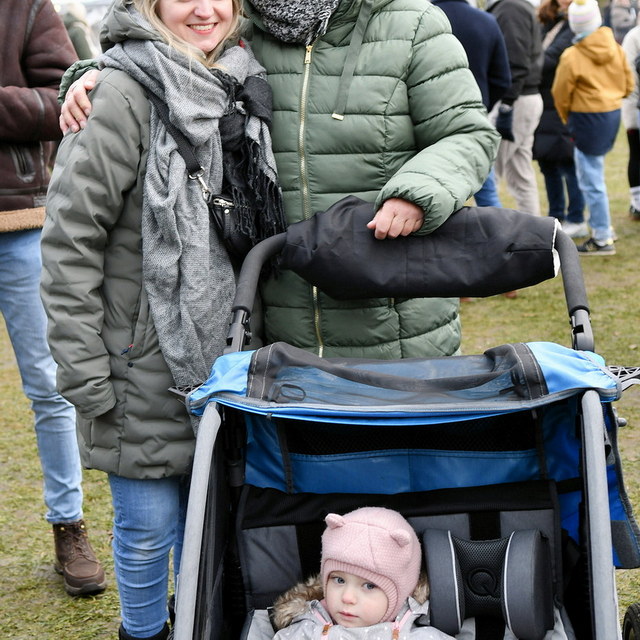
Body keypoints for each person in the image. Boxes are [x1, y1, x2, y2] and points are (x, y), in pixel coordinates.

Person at [58, 0, 501, 361]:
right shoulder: (245, 26)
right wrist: (94, 76)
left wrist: (418, 192)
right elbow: (164, 57)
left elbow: (467, 132)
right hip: (280, 327)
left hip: (395, 316)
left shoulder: (413, 23)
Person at [40, 0, 284, 637]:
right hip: (139, 361)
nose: (205, 10)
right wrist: (85, 370)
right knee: (148, 530)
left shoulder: (248, 82)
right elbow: (69, 243)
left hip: (231, 353)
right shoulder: (119, 95)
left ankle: (194, 625)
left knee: (214, 527)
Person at [0, 0, 106, 597]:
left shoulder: (27, 6)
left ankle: (69, 525)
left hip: (17, 226)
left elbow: (65, 101)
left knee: (49, 385)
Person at [270, 507, 455, 640]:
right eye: (339, 580)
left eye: (369, 585)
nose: (347, 597)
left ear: (400, 594)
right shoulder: (300, 633)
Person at [552, 0, 634, 255]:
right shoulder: (615, 46)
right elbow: (628, 83)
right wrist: (612, 98)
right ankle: (603, 226)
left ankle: (601, 237)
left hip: (585, 117)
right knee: (595, 174)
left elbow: (560, 93)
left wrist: (566, 117)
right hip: (611, 114)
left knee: (590, 179)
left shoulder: (572, 55)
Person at [430, 0, 511, 209]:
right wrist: (481, 106)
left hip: (428, 115)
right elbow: (502, 79)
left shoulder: (423, 18)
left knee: (431, 191)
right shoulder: (487, 21)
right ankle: (496, 230)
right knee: (487, 192)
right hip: (474, 115)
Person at [534, 0, 587, 237]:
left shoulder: (575, 23)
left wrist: (527, 62)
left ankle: (576, 217)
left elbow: (549, 59)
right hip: (543, 101)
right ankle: (556, 216)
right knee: (547, 161)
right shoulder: (548, 20)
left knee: (567, 162)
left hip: (560, 102)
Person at [487, 0, 544, 216]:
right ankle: (534, 232)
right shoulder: (513, 6)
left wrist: (506, 105)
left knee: (489, 172)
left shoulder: (511, 8)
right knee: (520, 174)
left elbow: (516, 61)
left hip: (515, 100)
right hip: (521, 97)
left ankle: (489, 233)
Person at [621, 19, 640, 220]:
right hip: (635, 106)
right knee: (636, 153)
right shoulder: (634, 37)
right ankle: (637, 203)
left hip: (635, 106)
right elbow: (629, 78)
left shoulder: (634, 36)